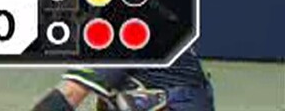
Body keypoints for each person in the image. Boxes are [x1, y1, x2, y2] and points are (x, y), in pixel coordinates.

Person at [28, 50, 218, 110]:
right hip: (194, 99)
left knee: (123, 101)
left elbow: (70, 94)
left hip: (177, 104)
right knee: (110, 97)